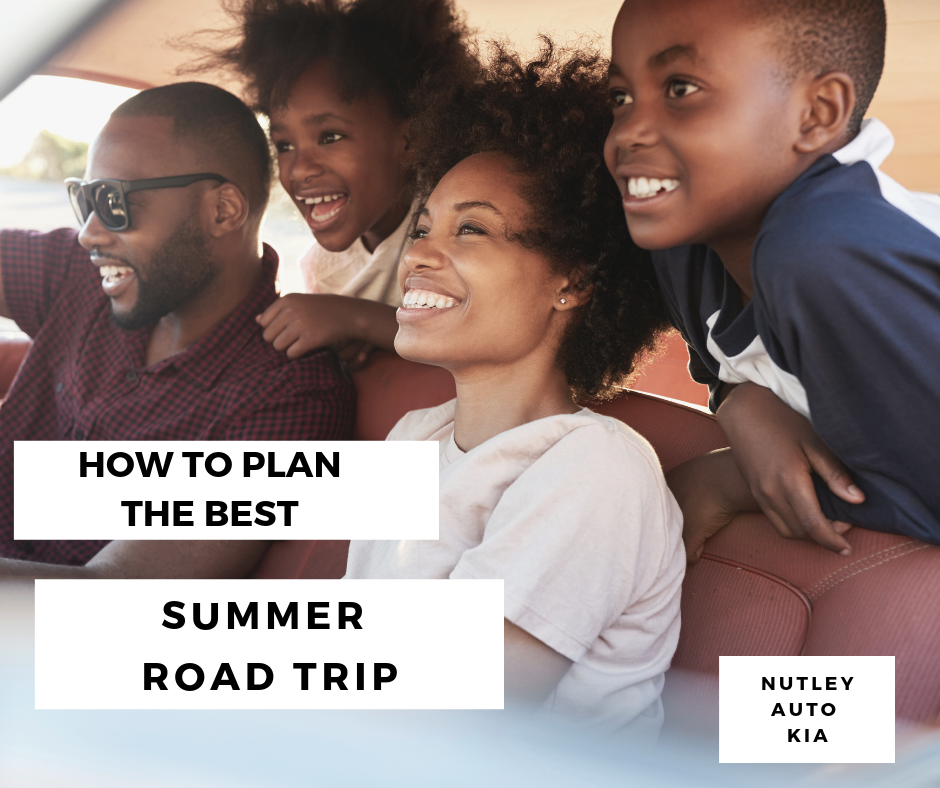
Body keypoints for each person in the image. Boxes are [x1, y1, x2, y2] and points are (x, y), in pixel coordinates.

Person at [344, 41, 685, 735]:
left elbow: (446, 718)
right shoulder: (415, 438)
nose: (419, 255)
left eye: (472, 229)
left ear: (574, 281)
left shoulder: (592, 468)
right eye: (423, 227)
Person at [604, 0, 940, 559]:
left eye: (681, 89)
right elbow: (727, 365)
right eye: (620, 98)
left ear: (817, 112)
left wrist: (723, 480)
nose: (629, 132)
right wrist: (740, 401)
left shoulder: (821, 255)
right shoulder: (686, 240)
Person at [0, 81, 355, 567]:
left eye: (114, 202)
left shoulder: (285, 396)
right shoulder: (79, 273)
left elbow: (116, 598)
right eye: (84, 199)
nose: (89, 233)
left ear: (222, 210)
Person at [198, 0, 476, 368]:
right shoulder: (324, 267)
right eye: (284, 145)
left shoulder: (462, 226)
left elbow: (480, 338)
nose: (298, 170)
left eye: (329, 137)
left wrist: (355, 319)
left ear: (412, 139)